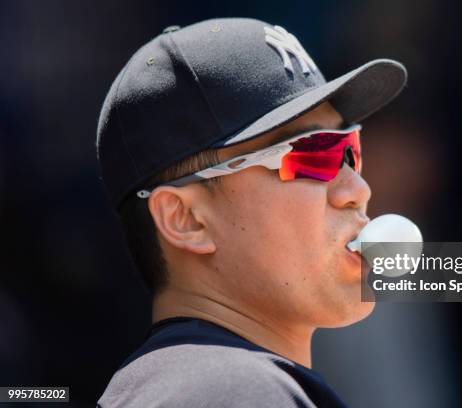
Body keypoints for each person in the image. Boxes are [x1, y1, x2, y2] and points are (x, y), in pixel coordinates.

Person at [96, 17, 406, 407]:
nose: (358, 190)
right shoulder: (240, 392)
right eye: (312, 153)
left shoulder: (194, 387)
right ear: (186, 219)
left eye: (349, 151)